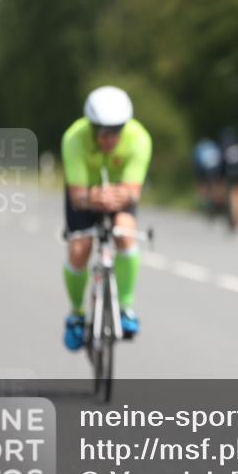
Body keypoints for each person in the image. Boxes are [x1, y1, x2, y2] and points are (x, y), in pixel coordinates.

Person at [61, 86, 153, 350]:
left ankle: (125, 307)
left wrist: (115, 196)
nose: (110, 137)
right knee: (79, 248)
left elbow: (133, 193)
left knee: (125, 231)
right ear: (91, 126)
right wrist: (92, 198)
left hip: (120, 196)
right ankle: (77, 314)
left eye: (117, 130)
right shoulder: (74, 139)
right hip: (85, 196)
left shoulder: (139, 138)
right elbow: (77, 196)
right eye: (103, 130)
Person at [218, 126, 238, 229]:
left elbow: (222, 163)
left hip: (229, 174)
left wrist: (221, 177)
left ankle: (232, 216)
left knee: (230, 194)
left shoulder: (224, 147)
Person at [192, 137, 223, 215]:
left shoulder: (200, 147)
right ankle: (218, 203)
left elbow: (196, 162)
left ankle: (204, 202)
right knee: (217, 184)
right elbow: (220, 158)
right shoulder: (214, 146)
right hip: (215, 169)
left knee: (203, 184)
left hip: (203, 170)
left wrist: (198, 175)